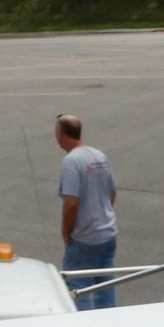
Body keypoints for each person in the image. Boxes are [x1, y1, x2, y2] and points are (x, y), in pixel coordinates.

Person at [55, 113, 118, 310]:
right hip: (107, 234)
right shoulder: (99, 156)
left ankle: (82, 323)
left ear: (61, 133)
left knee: (77, 289)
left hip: (85, 238)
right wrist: (102, 214)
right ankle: (108, 320)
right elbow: (112, 193)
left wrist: (66, 231)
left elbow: (71, 203)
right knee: (105, 286)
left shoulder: (71, 161)